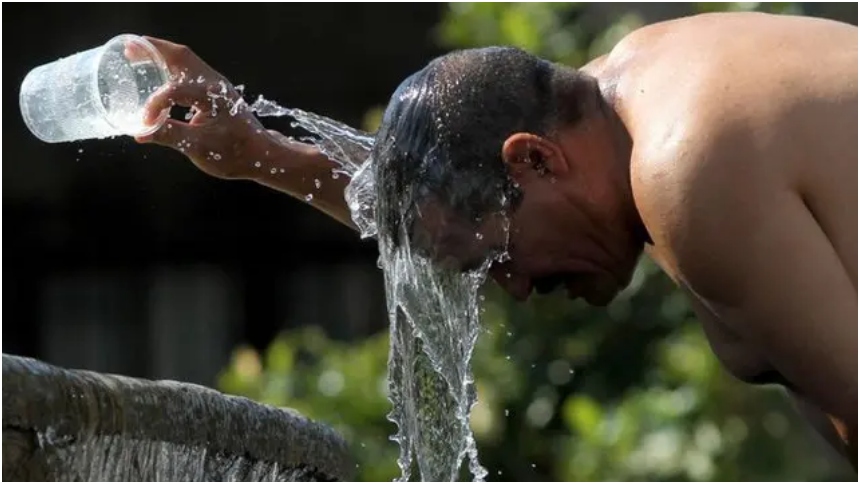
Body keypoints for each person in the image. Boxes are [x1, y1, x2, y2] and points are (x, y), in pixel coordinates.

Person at [134, 11, 857, 469]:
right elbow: (443, 205)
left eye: (498, 257)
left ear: (535, 159)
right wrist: (261, 150)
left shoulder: (688, 176)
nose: (512, 285)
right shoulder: (626, 91)